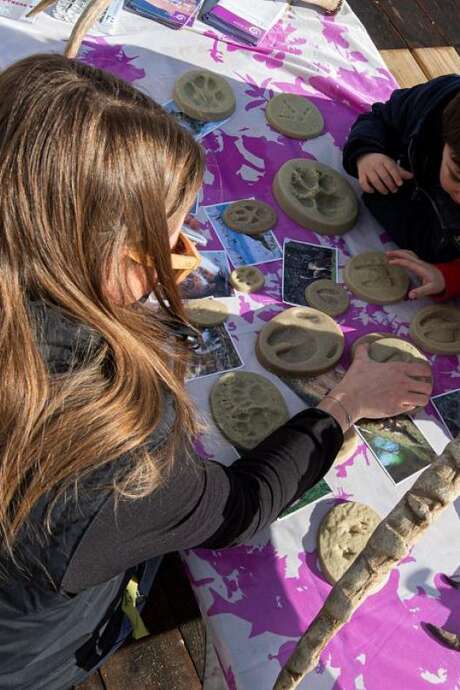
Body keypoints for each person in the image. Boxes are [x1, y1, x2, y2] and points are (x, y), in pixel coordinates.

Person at [0, 53, 432, 690]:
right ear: (115, 257)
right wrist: (342, 406)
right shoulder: (107, 446)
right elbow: (235, 508)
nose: (183, 253)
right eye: (168, 238)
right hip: (33, 654)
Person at [343, 75, 460, 301]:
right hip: (393, 201)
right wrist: (367, 153)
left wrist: (447, 276)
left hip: (438, 254)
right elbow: (380, 118)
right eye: (456, 176)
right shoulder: (433, 103)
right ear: (445, 134)